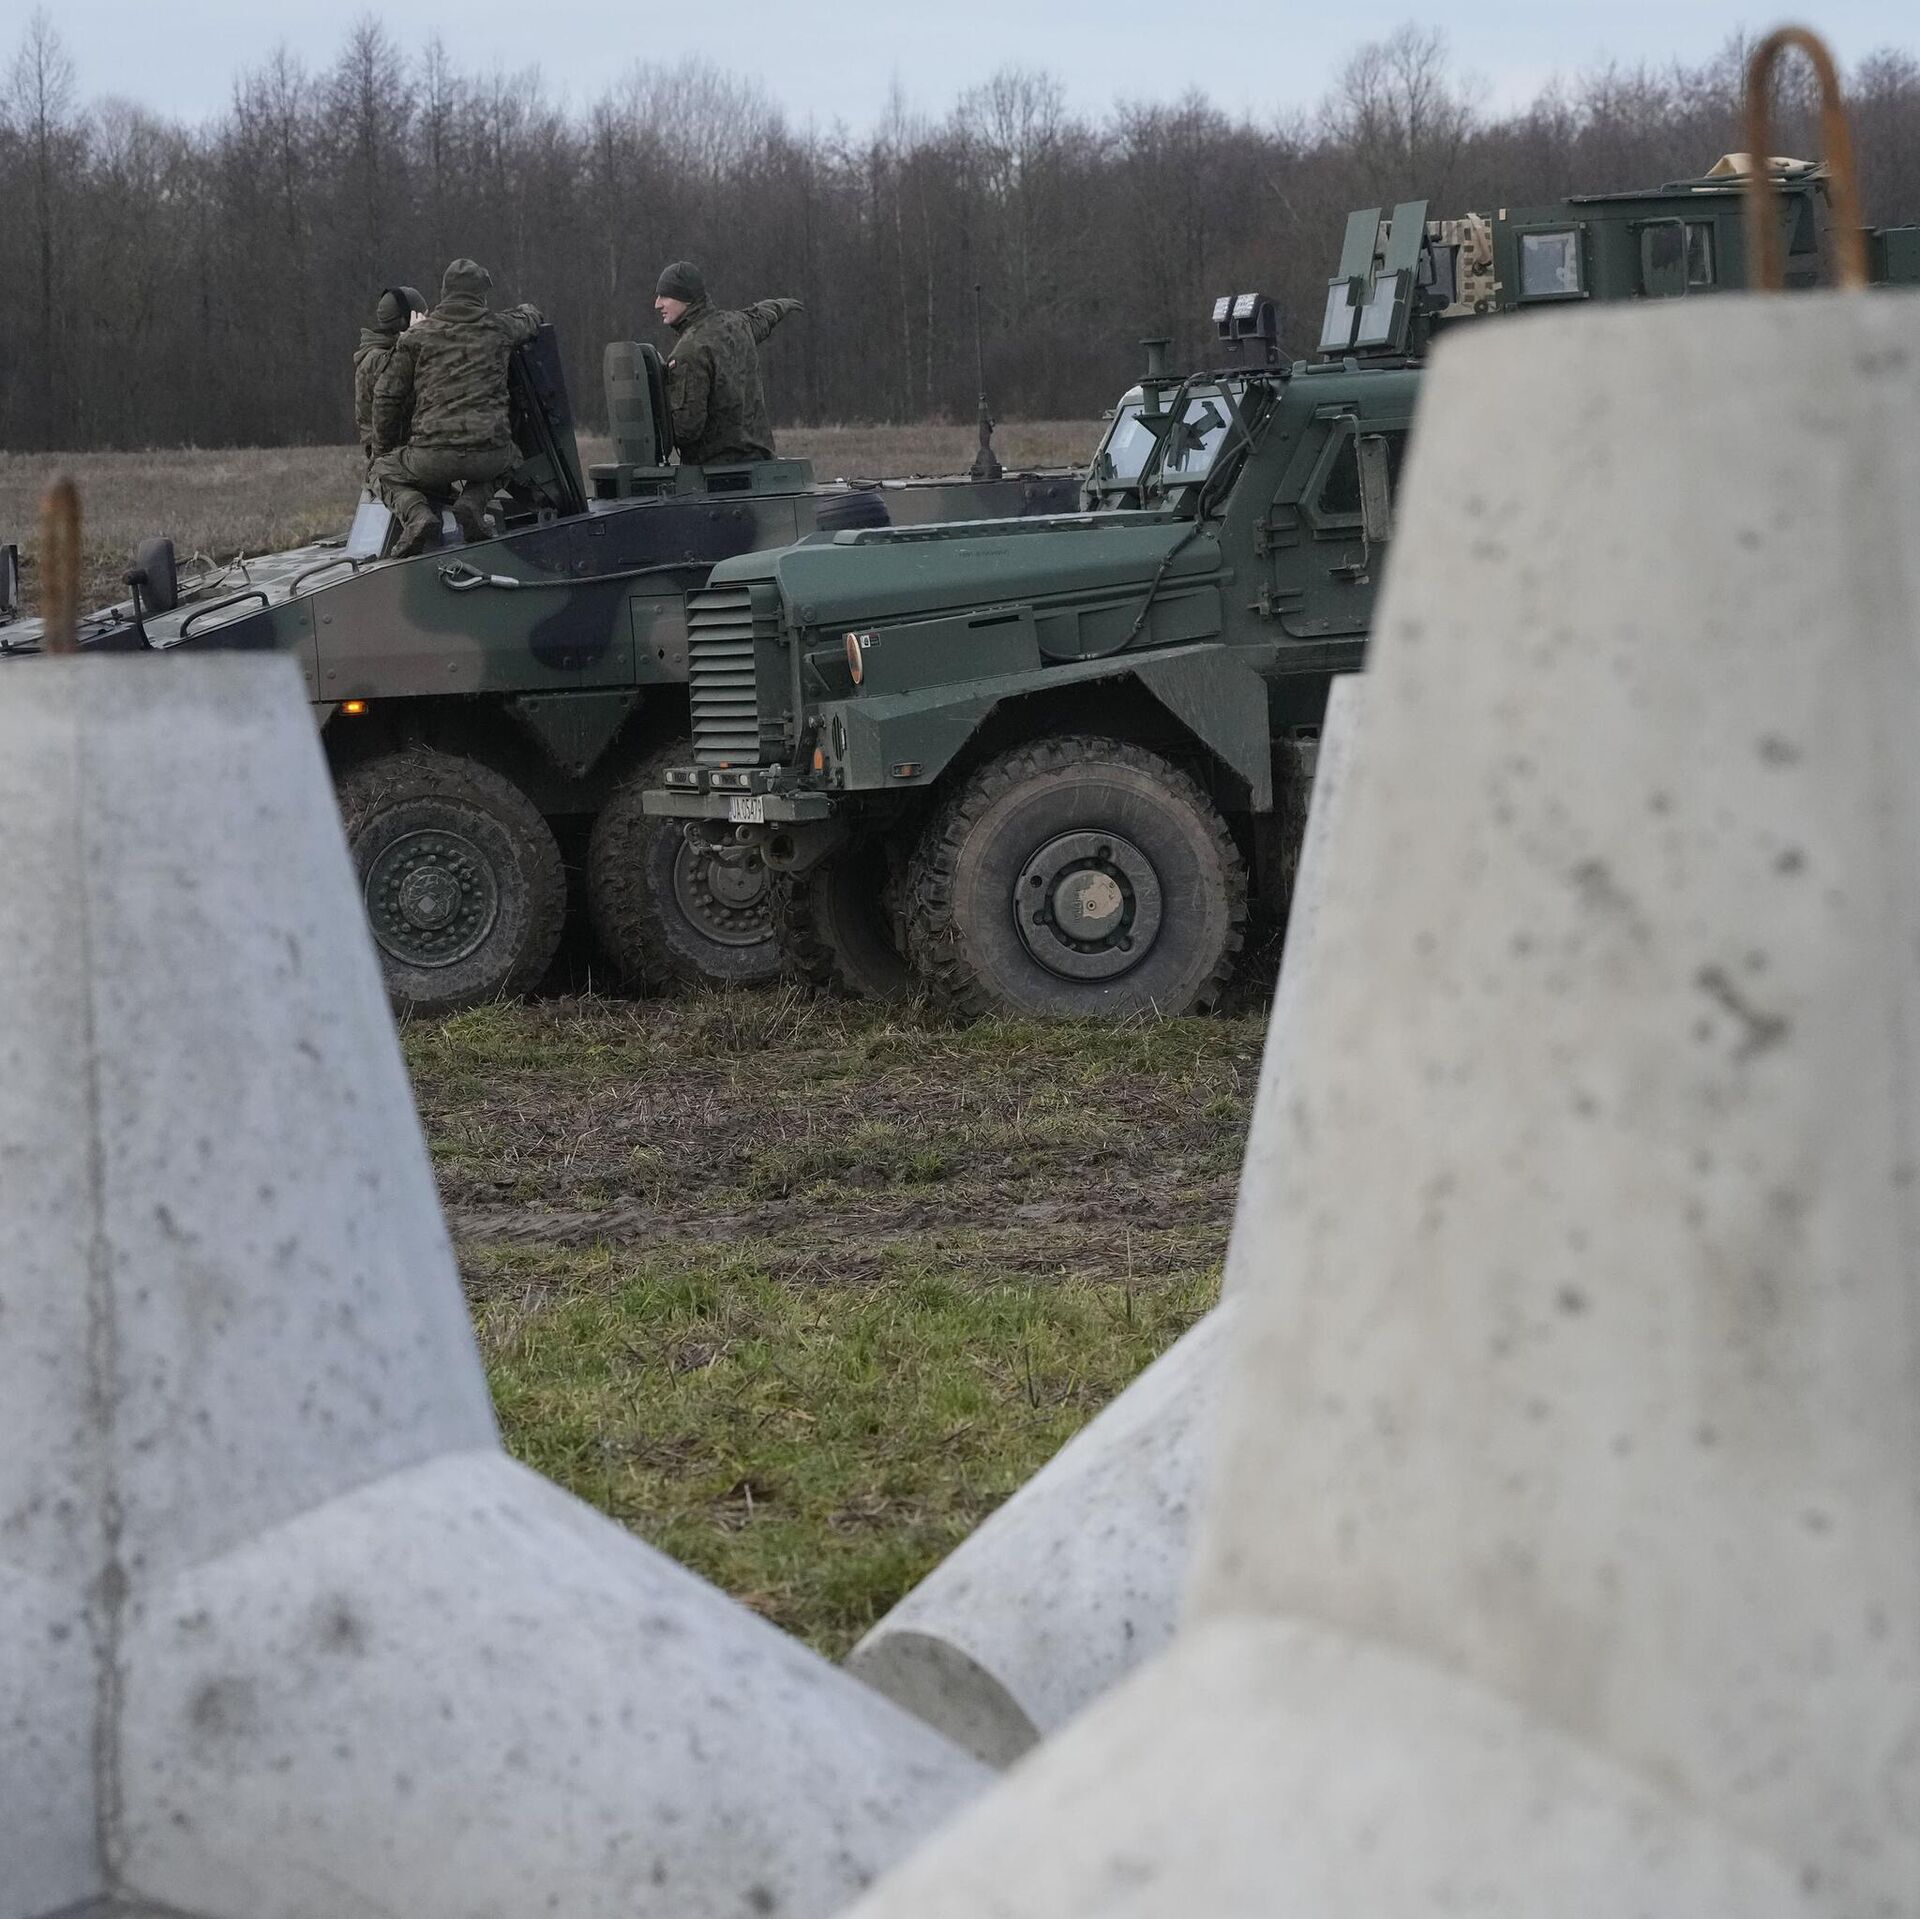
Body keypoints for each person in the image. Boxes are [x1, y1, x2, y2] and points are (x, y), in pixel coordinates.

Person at [372, 258, 543, 556]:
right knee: (514, 457)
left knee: (379, 470)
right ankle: (473, 502)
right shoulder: (499, 328)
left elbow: (386, 397)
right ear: (480, 295)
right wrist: (529, 309)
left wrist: (383, 450)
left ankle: (416, 515)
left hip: (430, 458)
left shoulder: (416, 336)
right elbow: (529, 318)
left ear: (445, 292)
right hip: (489, 456)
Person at [653, 260, 802, 466]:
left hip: (715, 473)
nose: (657, 304)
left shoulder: (688, 352)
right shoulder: (738, 324)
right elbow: (762, 317)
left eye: (665, 296)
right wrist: (781, 305)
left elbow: (686, 430)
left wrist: (656, 416)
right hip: (761, 467)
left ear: (686, 299)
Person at [353, 286, 425, 479]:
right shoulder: (385, 359)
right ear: (406, 321)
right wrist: (417, 342)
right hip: (395, 458)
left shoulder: (374, 353)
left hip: (388, 454)